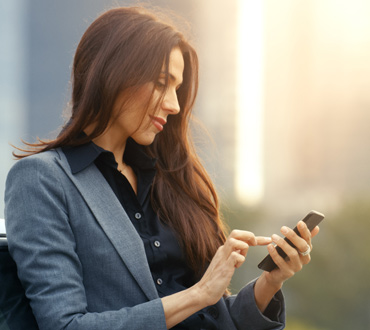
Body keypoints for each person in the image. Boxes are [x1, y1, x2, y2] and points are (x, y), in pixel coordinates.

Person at [4, 6, 319, 330]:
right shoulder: (42, 180)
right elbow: (65, 325)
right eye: (161, 83)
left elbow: (209, 316)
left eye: (177, 88)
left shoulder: (169, 179)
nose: (174, 104)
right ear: (113, 73)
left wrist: (270, 282)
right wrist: (198, 294)